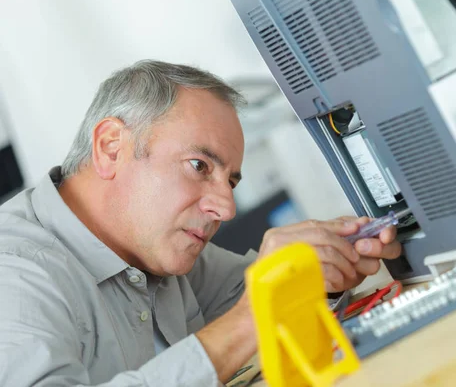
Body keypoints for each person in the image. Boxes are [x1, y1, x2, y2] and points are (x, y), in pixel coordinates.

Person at [0, 60, 401, 386]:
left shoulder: (153, 247)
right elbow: (253, 312)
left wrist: (322, 268)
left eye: (230, 181)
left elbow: (263, 293)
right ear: (110, 148)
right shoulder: (14, 271)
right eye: (199, 166)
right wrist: (250, 319)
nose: (226, 208)